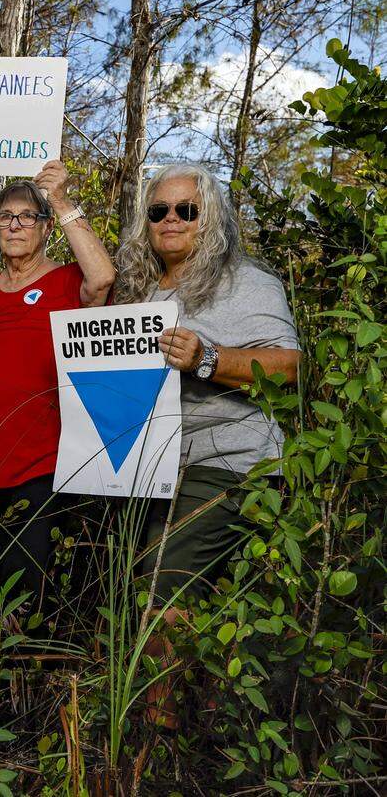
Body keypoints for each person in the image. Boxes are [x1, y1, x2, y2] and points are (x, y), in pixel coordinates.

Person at [114, 163, 300, 727]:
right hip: (155, 462)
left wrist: (209, 358)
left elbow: (289, 367)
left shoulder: (247, 282)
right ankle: (209, 714)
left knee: (160, 583)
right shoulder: (145, 290)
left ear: (209, 217)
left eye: (185, 211)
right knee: (140, 586)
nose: (171, 220)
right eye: (158, 211)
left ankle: (161, 734)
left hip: (229, 458)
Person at [0, 162, 115, 616]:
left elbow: (103, 279)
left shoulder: (65, 281)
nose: (14, 225)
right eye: (4, 217)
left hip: (38, 463)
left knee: (26, 594)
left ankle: (27, 678)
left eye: (26, 216)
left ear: (45, 227)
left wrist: (60, 198)